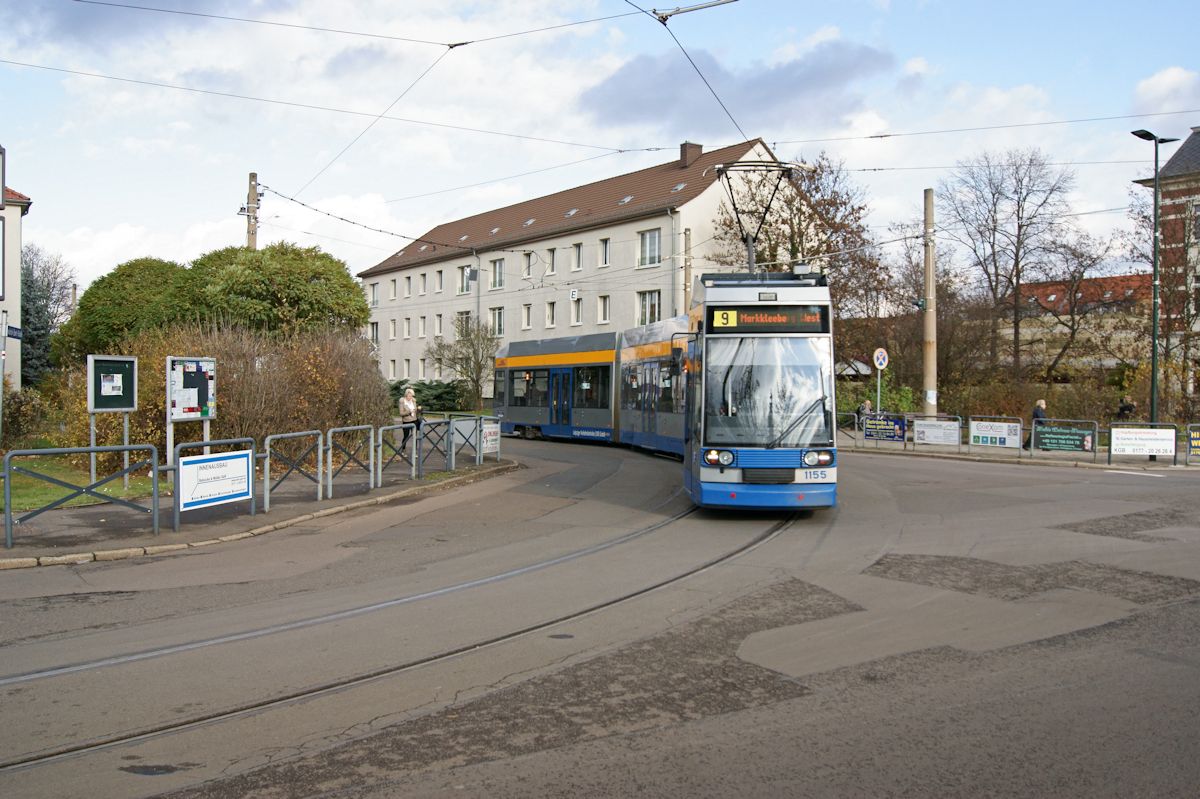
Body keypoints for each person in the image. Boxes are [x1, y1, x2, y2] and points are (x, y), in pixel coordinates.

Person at [398, 388, 422, 456]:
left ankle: (415, 452)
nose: (410, 397)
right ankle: (403, 450)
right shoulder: (402, 401)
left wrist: (418, 409)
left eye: (411, 396)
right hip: (406, 421)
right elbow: (401, 413)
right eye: (409, 396)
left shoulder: (413, 401)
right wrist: (409, 411)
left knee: (415, 436)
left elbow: (416, 411)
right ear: (406, 395)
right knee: (406, 436)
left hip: (414, 421)